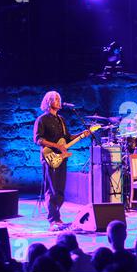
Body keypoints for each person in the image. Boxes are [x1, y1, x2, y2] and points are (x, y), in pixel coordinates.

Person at [33, 91, 90, 231]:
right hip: (49, 157)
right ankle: (53, 220)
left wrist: (83, 134)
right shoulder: (42, 119)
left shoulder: (61, 120)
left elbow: (68, 138)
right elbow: (38, 139)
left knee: (60, 190)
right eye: (55, 99)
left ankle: (57, 217)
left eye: (59, 98)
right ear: (48, 102)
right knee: (51, 189)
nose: (58, 101)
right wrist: (56, 146)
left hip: (61, 158)